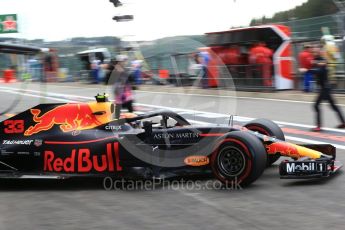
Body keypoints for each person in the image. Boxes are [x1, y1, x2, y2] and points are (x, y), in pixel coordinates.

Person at [311, 47, 345, 132]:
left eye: (316, 51)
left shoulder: (323, 61)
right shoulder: (316, 60)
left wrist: (310, 69)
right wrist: (314, 64)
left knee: (316, 105)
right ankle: (343, 122)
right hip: (325, 88)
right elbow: (315, 64)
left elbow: (320, 71)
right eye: (314, 51)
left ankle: (319, 126)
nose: (314, 53)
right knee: (334, 106)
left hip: (325, 88)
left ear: (319, 52)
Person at [112, 55, 134, 119]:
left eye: (124, 61)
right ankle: (115, 122)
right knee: (118, 109)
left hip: (126, 92)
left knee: (130, 108)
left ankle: (131, 121)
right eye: (123, 61)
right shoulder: (116, 70)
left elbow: (129, 79)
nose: (124, 63)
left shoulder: (125, 69)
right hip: (120, 93)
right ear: (119, 62)